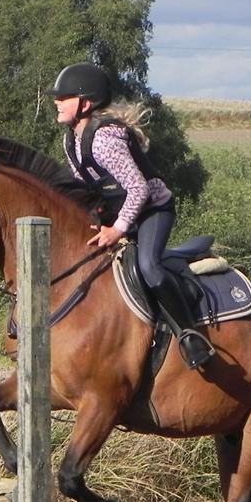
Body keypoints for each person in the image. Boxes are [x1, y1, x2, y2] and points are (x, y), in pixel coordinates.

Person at [45, 62, 215, 369]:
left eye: (64, 96)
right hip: (118, 212)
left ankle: (190, 336)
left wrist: (117, 230)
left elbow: (138, 190)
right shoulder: (71, 140)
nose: (56, 101)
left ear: (85, 103)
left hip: (153, 210)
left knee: (148, 266)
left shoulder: (104, 141)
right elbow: (85, 187)